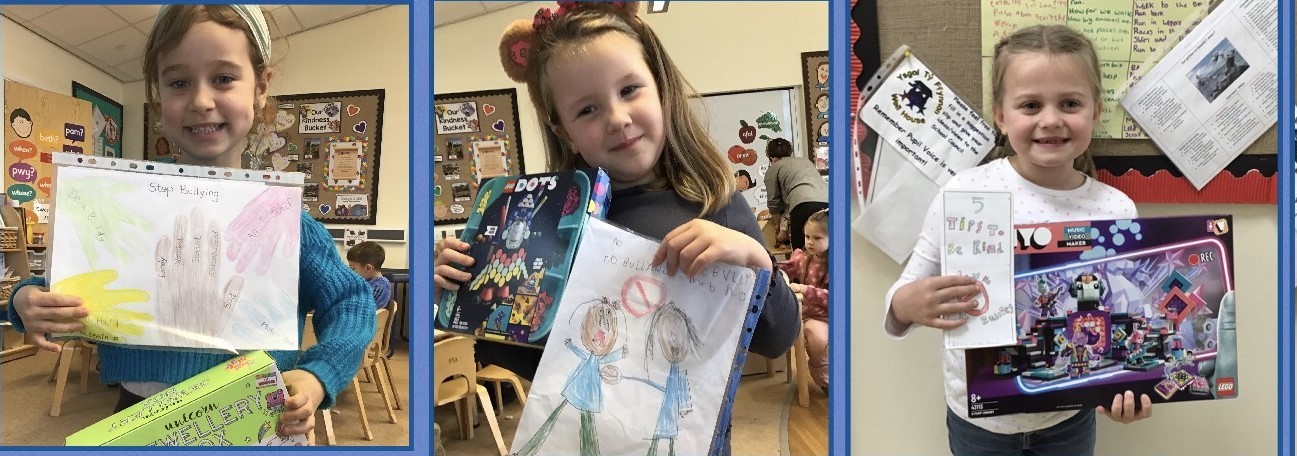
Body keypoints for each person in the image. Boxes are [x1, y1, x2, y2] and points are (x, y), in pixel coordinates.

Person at [433, 3, 799, 453]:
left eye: (629, 89)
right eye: (586, 109)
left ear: (661, 88)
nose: (617, 118)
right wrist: (465, 290)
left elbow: (777, 338)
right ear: (564, 132)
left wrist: (756, 261)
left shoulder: (715, 202)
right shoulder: (552, 224)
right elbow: (530, 358)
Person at [5, 5, 374, 438]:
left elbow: (351, 301)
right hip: (140, 414)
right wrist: (26, 302)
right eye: (179, 82)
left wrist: (318, 374)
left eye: (223, 78)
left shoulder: (287, 220)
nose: (201, 101)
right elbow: (63, 288)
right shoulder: (123, 206)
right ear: (158, 96)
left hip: (258, 415)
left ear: (261, 87)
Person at [883, 24, 1151, 456]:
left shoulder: (1116, 210)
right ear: (1001, 116)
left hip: (1069, 419)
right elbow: (899, 297)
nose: (1050, 119)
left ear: (1096, 111)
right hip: (979, 421)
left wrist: (1129, 388)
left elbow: (1126, 317)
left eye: (1070, 103)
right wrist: (906, 304)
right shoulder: (963, 195)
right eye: (1030, 104)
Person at [779, 209, 829, 390]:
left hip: (833, 317)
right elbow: (784, 267)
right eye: (807, 236)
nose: (809, 242)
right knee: (816, 337)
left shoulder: (839, 264)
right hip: (812, 318)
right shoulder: (802, 258)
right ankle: (827, 383)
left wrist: (804, 289)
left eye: (817, 238)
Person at [763, 138, 827, 249]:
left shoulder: (773, 168)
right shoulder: (805, 162)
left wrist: (778, 225)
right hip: (827, 202)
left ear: (771, 156)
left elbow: (773, 204)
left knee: (801, 252)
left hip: (803, 206)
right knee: (825, 250)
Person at [346, 241, 392, 309]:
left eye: (353, 268)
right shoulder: (366, 281)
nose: (351, 271)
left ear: (368, 268)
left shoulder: (380, 285)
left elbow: (363, 310)